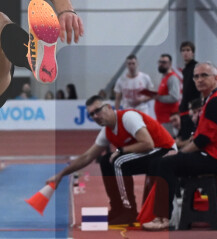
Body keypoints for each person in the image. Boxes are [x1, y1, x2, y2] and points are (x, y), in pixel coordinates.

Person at [47, 95, 175, 226]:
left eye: (98, 110)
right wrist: (61, 175)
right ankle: (117, 209)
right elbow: (87, 157)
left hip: (164, 150)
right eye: (91, 114)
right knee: (105, 161)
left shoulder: (128, 118)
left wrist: (121, 150)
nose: (95, 116)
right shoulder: (106, 132)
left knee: (119, 161)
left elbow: (148, 143)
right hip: (148, 153)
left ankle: (129, 212)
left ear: (108, 107)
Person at [144, 62, 217, 231]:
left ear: (216, 78)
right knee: (157, 162)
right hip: (210, 155)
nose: (199, 79)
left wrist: (179, 153)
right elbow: (197, 138)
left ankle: (164, 217)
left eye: (204, 75)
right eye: (196, 76)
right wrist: (178, 151)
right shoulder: (209, 100)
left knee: (166, 163)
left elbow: (202, 141)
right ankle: (154, 213)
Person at [152, 53, 182, 135]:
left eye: (164, 62)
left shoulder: (172, 78)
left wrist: (159, 98)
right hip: (162, 119)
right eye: (160, 62)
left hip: (169, 120)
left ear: (170, 64)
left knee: (169, 140)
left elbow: (175, 97)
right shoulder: (164, 77)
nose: (161, 64)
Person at [177, 41, 199, 139]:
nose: (185, 53)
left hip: (192, 109)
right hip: (185, 109)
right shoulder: (185, 70)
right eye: (183, 50)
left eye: (188, 50)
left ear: (193, 52)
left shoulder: (196, 67)